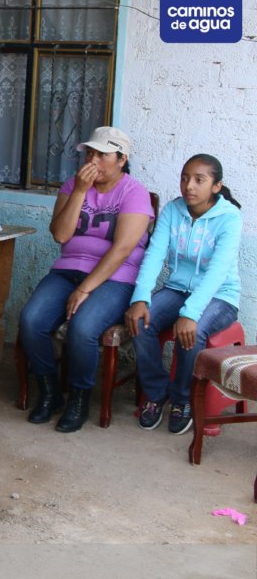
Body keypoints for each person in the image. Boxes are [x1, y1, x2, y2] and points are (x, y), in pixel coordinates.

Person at [18, 126, 154, 432]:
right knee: (31, 320)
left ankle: (79, 398)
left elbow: (121, 250)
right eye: (90, 153)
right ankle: (50, 391)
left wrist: (85, 289)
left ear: (121, 159)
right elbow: (61, 234)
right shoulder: (72, 186)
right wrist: (79, 191)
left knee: (82, 328)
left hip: (115, 278)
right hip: (68, 270)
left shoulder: (134, 193)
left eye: (102, 154)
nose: (92, 160)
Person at [125, 154, 242, 435]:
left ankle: (182, 399)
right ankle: (156, 392)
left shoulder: (230, 218)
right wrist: (140, 297)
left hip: (220, 295)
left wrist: (190, 313)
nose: (189, 185)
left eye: (199, 180)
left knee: (194, 331)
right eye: (185, 178)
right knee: (140, 321)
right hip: (177, 289)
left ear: (216, 186)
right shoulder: (172, 210)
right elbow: (154, 255)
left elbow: (216, 272)